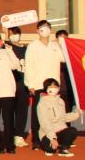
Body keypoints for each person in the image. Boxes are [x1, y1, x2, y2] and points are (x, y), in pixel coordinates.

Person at [22, 20, 63, 149]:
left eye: (47, 27)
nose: (44, 30)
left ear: (50, 30)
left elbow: (64, 58)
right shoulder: (33, 46)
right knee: (38, 114)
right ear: (37, 30)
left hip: (53, 85)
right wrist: (30, 84)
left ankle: (52, 138)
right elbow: (29, 65)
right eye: (42, 28)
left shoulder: (55, 46)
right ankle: (36, 140)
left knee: (53, 113)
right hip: (38, 85)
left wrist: (64, 44)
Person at [36, 77, 81, 157]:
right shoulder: (42, 103)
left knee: (72, 131)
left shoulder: (60, 101)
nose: (53, 88)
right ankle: (50, 145)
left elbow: (63, 117)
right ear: (46, 88)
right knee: (50, 150)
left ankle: (63, 149)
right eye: (50, 86)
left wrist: (77, 114)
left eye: (55, 86)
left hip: (60, 131)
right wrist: (52, 138)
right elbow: (45, 122)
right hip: (47, 133)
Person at [7, 26, 30, 150]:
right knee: (9, 111)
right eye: (11, 34)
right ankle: (10, 135)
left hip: (23, 84)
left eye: (16, 33)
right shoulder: (6, 48)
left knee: (22, 111)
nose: (14, 36)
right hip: (10, 84)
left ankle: (19, 135)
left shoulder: (27, 49)